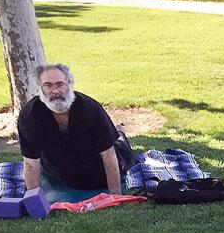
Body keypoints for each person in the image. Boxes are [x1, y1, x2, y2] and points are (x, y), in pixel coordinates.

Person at [17, 63, 135, 197]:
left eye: (60, 84)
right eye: (48, 85)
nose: (55, 91)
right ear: (40, 88)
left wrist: (115, 196)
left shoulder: (90, 109)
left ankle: (120, 134)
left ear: (69, 84)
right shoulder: (30, 115)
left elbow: (109, 155)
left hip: (98, 172)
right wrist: (35, 204)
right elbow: (31, 163)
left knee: (123, 150)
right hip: (60, 170)